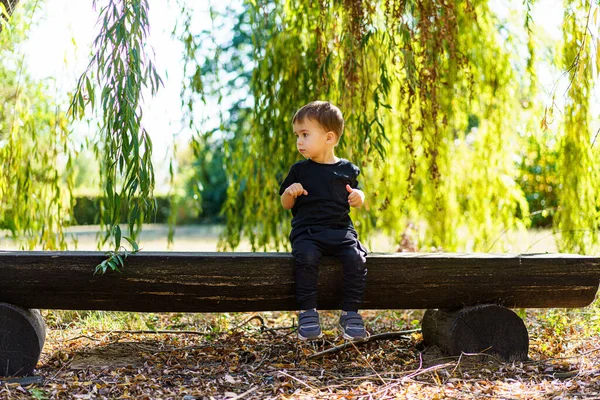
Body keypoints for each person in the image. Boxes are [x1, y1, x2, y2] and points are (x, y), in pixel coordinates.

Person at [279, 100, 368, 341]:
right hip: (308, 232)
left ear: (329, 138)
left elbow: (357, 192)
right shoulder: (299, 171)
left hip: (340, 231)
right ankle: (308, 312)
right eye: (297, 135)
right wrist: (290, 192)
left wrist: (358, 196)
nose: (299, 141)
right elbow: (286, 204)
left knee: (356, 258)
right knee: (306, 258)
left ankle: (350, 313)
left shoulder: (347, 169)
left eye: (305, 135)